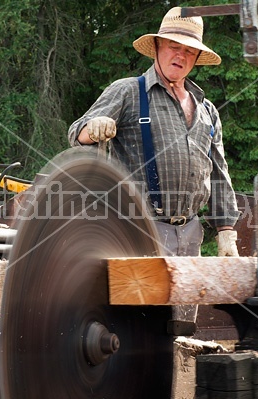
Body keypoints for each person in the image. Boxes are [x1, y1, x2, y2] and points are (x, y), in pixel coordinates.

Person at [68, 6, 240, 258]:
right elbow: (76, 133)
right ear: (158, 46)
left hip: (191, 234)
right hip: (137, 232)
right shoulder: (128, 92)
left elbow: (219, 174)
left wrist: (226, 232)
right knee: (145, 298)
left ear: (196, 58)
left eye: (189, 51)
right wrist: (93, 129)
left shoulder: (207, 110)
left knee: (187, 298)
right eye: (174, 47)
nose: (181, 56)